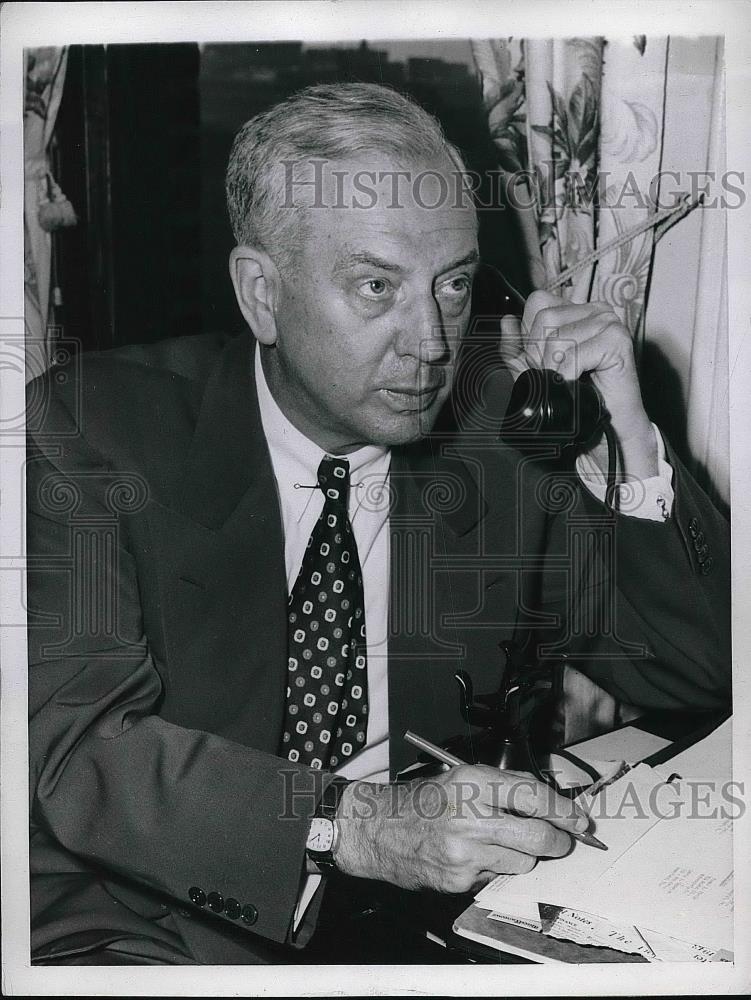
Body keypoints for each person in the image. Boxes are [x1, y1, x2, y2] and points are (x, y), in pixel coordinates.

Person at [26, 82, 730, 965]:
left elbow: (704, 672)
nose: (432, 342)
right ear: (260, 293)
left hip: (415, 924)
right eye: (375, 286)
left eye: (454, 286)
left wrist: (627, 438)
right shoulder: (90, 431)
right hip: (149, 921)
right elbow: (79, 750)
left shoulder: (496, 438)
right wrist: (352, 824)